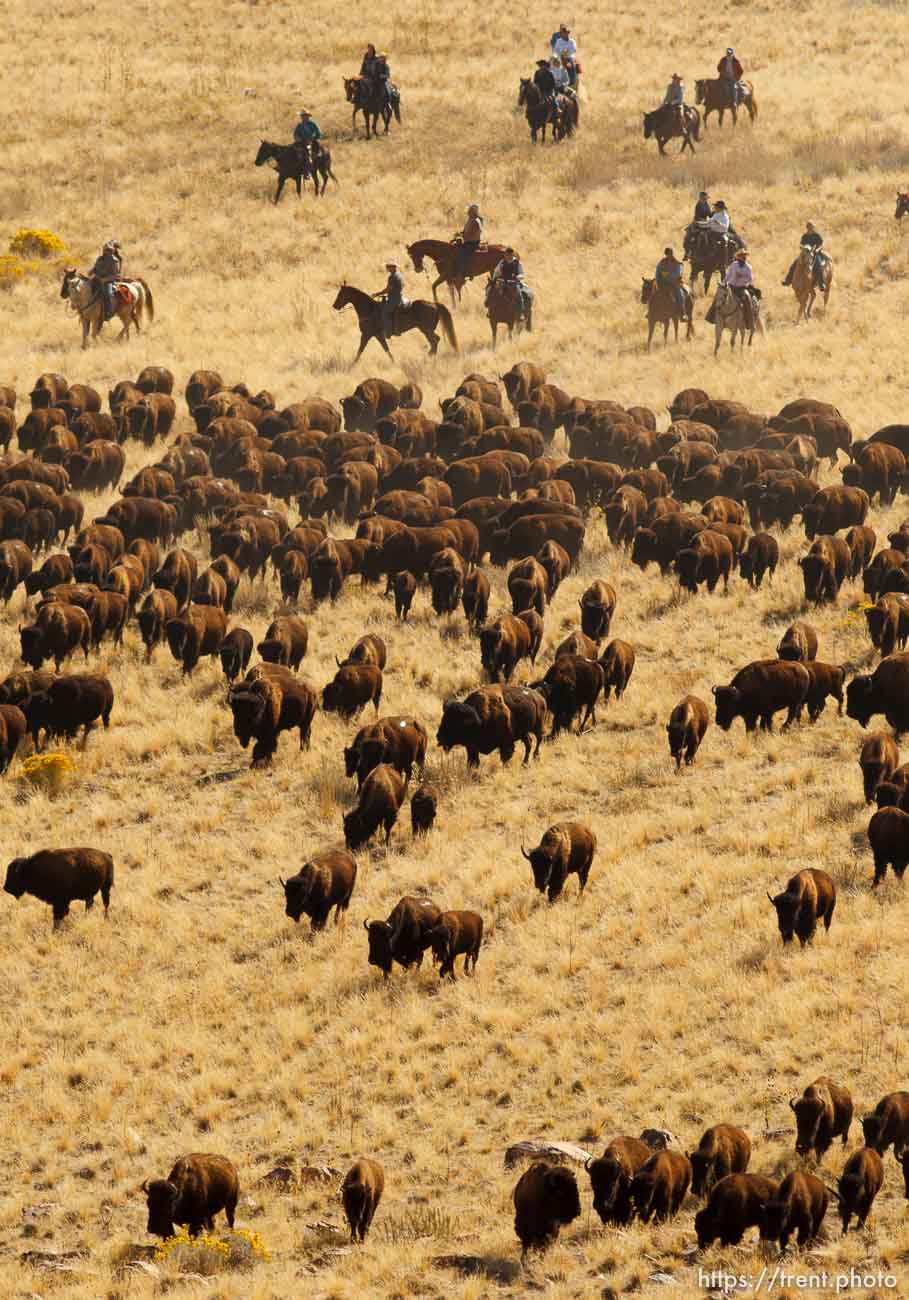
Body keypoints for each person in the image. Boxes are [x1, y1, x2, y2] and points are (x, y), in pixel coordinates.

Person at [488, 247, 533, 330]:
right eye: (507, 255)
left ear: (512, 255)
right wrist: (495, 279)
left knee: (519, 294)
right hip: (502, 283)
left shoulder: (517, 263)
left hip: (514, 283)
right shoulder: (502, 263)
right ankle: (490, 310)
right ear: (505, 255)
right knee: (491, 291)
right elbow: (496, 272)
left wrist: (517, 277)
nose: (508, 256)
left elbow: (521, 274)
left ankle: (521, 313)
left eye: (510, 255)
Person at [782, 221, 825, 287]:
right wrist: (803, 248)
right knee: (794, 264)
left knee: (818, 264)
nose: (810, 229)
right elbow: (801, 245)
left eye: (812, 227)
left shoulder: (817, 236)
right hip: (805, 254)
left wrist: (817, 250)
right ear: (807, 228)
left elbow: (821, 245)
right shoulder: (804, 236)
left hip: (815, 254)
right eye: (809, 227)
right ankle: (788, 280)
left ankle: (821, 283)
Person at [90, 239, 123, 320]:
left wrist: (105, 280)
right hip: (97, 279)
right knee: (86, 288)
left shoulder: (115, 261)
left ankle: (108, 312)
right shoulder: (100, 259)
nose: (106, 252)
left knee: (108, 293)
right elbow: (95, 267)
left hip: (109, 282)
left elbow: (116, 275)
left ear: (112, 251)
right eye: (105, 250)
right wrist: (91, 271)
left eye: (109, 250)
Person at [723, 248, 755, 328]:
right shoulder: (733, 265)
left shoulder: (748, 267)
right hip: (731, 287)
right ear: (738, 257)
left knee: (747, 299)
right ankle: (713, 317)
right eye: (741, 256)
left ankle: (750, 322)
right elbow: (728, 275)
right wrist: (723, 283)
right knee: (719, 296)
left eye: (744, 256)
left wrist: (741, 278)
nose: (743, 257)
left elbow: (750, 279)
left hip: (741, 288)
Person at [374, 259, 404, 336]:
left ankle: (388, 332)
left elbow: (388, 289)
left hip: (394, 299)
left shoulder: (393, 277)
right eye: (387, 266)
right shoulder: (399, 274)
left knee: (384, 312)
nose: (387, 268)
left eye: (388, 267)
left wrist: (377, 294)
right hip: (398, 297)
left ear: (393, 267)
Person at [455, 204, 484, 279]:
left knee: (463, 255)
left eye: (470, 211)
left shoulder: (475, 221)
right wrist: (460, 234)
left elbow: (470, 234)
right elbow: (466, 232)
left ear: (473, 212)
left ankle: (467, 272)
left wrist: (461, 236)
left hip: (472, 243)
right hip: (468, 241)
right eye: (468, 210)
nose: (468, 212)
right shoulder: (470, 219)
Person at [655, 247, 686, 313]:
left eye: (670, 254)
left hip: (674, 283)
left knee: (680, 294)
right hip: (662, 283)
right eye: (667, 254)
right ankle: (650, 311)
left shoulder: (677, 263)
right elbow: (657, 272)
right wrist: (658, 280)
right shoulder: (661, 262)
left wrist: (667, 275)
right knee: (652, 293)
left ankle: (682, 312)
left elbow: (678, 274)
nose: (668, 255)